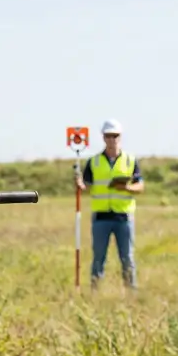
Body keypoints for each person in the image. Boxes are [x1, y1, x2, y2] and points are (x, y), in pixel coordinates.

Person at [74, 119, 144, 289]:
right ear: (103, 137)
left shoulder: (130, 160)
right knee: (98, 258)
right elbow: (87, 186)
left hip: (123, 217)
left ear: (120, 137)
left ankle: (131, 293)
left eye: (115, 136)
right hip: (101, 218)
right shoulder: (94, 162)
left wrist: (126, 187)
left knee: (127, 257)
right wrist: (80, 185)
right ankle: (95, 293)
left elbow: (140, 186)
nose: (112, 139)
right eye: (109, 136)